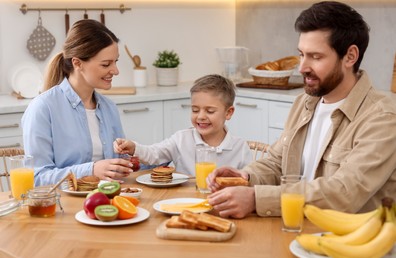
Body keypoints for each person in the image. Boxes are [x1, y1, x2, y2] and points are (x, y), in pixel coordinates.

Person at [207, 1, 396, 219]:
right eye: (301, 54)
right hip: (295, 229)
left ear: (350, 56)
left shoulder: (382, 118)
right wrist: (247, 176)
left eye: (316, 57)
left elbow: (344, 192)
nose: (302, 68)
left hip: (348, 245)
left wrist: (255, 198)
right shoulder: (304, 102)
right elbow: (278, 161)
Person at [22, 19, 133, 186]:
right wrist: (91, 170)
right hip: (62, 207)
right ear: (77, 63)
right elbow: (37, 178)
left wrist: (166, 152)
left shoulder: (109, 107)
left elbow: (120, 166)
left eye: (115, 61)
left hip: (107, 201)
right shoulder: (43, 108)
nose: (115, 71)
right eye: (106, 64)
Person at [113, 74, 252, 175]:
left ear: (228, 113)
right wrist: (133, 147)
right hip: (184, 202)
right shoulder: (181, 139)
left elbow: (248, 181)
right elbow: (154, 154)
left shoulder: (240, 148)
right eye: (195, 110)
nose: (201, 116)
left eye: (210, 111)